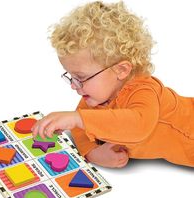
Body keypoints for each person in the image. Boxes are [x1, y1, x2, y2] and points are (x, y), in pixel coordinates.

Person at [32, 1, 194, 168]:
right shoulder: (96, 98)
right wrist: (92, 152)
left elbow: (139, 125)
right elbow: (79, 129)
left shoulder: (144, 90)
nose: (74, 85)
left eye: (81, 77)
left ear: (121, 70)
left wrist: (78, 119)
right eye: (71, 76)